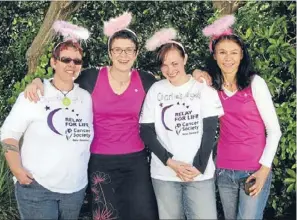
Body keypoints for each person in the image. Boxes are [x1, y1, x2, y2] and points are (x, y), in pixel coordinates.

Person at [24, 12, 159, 220]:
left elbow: (172, 87)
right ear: (110, 52)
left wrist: (197, 74)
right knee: (106, 215)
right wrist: (39, 82)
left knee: (143, 214)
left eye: (129, 50)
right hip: (100, 161)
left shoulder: (145, 80)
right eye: (118, 50)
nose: (123, 55)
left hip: (136, 162)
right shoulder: (92, 77)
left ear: (136, 52)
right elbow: (62, 81)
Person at [0, 21, 94, 220]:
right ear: (53, 62)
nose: (71, 65)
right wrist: (16, 168)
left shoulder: (87, 97)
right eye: (66, 59)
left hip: (75, 190)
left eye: (77, 61)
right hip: (38, 187)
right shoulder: (35, 94)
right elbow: (9, 133)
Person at [197, 15, 282, 219]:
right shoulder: (211, 87)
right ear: (214, 56)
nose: (228, 58)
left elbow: (274, 131)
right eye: (222, 52)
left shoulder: (255, 83)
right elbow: (189, 82)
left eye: (234, 52)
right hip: (225, 170)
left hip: (254, 170)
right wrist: (196, 72)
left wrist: (263, 171)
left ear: (242, 55)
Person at [140, 28, 224, 219]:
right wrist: (170, 162)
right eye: (164, 65)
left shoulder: (203, 89)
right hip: (164, 174)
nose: (170, 70)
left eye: (175, 63)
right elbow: (146, 131)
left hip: (199, 173)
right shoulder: (156, 89)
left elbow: (211, 130)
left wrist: (199, 166)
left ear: (185, 59)